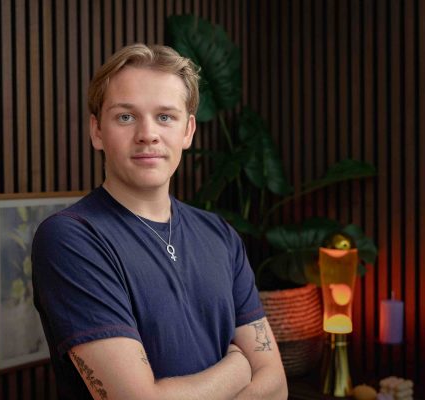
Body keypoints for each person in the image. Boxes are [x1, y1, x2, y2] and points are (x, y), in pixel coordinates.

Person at [32, 43, 288, 400]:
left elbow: (275, 384)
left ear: (188, 131)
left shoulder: (221, 235)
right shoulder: (71, 237)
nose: (147, 134)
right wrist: (239, 367)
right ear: (96, 131)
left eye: (165, 116)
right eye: (126, 116)